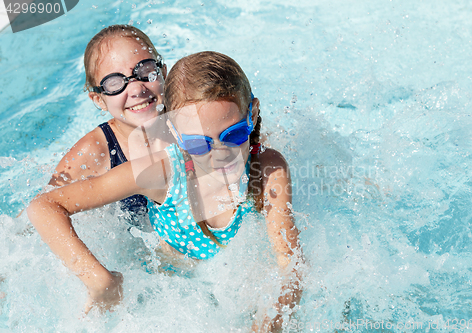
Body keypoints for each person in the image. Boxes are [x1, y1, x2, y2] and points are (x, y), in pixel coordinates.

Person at [28, 51, 302, 332]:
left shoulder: (267, 169)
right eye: (199, 145)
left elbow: (290, 263)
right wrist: (99, 281)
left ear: (252, 115)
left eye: (233, 135)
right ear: (174, 133)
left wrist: (270, 320)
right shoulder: (161, 172)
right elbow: (44, 206)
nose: (222, 155)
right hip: (168, 293)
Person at [48, 24, 167, 224]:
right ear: (99, 100)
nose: (137, 89)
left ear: (163, 71)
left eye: (145, 70)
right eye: (115, 83)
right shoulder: (95, 151)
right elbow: (39, 216)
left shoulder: (191, 114)